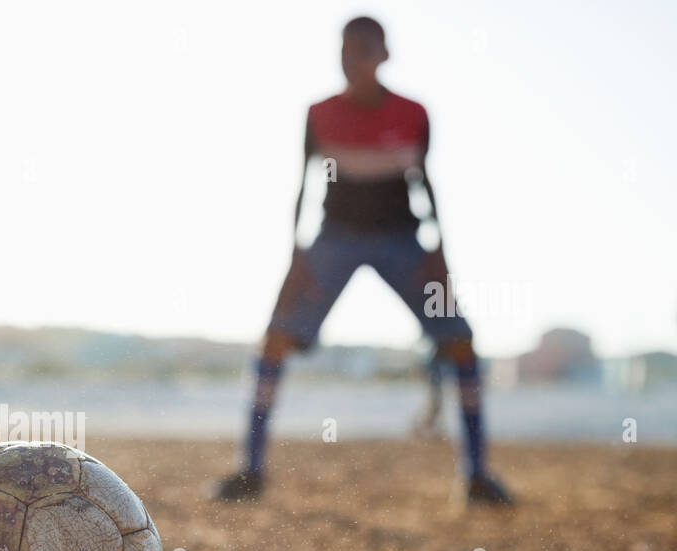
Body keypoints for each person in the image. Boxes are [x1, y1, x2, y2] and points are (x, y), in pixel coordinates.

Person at [217, 17, 511, 505]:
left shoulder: (414, 113)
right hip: (335, 238)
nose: (352, 60)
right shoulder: (319, 113)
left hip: (402, 238)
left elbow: (425, 182)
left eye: (363, 50)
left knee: (460, 343)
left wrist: (440, 253)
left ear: (384, 55)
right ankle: (250, 470)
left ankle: (477, 475)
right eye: (345, 51)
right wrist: (296, 257)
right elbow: (304, 183)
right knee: (274, 340)